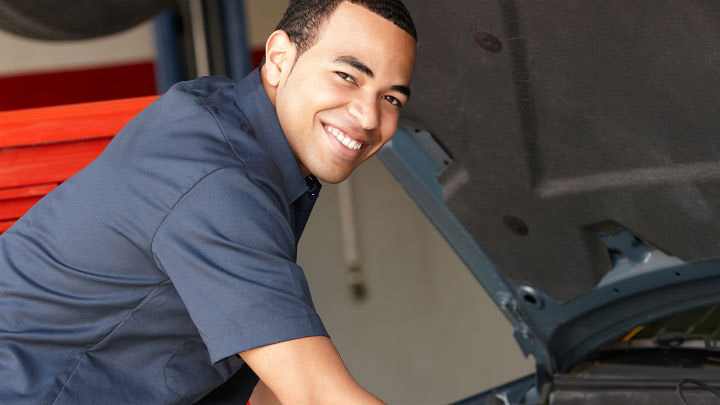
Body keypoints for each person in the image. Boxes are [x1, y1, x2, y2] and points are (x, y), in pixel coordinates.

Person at [0, 0, 416, 404]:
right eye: (347, 76)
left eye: (392, 98)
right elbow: (316, 396)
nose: (368, 117)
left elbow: (278, 377)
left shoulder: (232, 121)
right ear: (278, 57)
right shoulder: (219, 180)